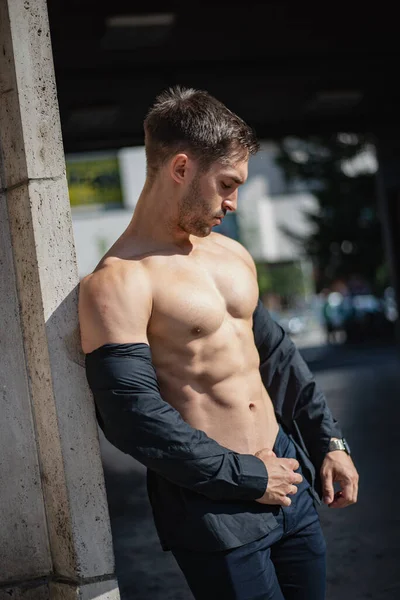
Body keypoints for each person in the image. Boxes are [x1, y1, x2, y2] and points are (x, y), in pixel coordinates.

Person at [79, 87, 359, 600]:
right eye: (226, 184)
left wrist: (328, 443)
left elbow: (277, 360)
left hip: (286, 477)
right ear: (181, 168)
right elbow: (132, 417)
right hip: (215, 506)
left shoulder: (231, 255)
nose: (233, 203)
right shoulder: (118, 283)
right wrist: (250, 477)